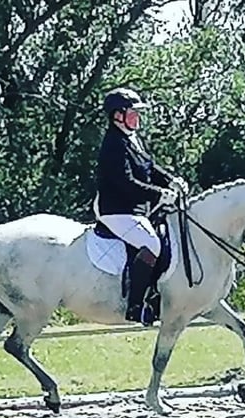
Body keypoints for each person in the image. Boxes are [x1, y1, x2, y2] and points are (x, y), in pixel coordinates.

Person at [93, 87, 187, 323]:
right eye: (133, 113)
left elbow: (149, 168)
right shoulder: (114, 144)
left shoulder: (131, 139)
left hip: (136, 211)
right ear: (117, 115)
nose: (138, 117)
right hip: (116, 211)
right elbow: (126, 182)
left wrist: (171, 181)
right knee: (151, 244)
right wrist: (159, 195)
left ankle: (156, 297)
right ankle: (135, 306)